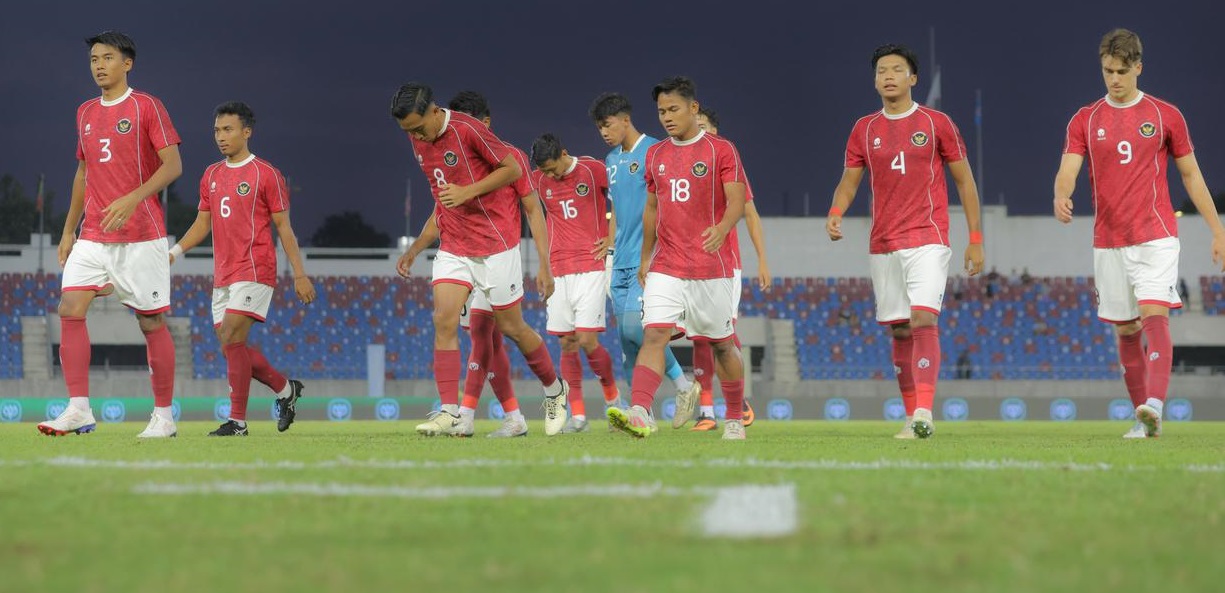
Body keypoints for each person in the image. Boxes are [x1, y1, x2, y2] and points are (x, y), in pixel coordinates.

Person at [1053, 28, 1225, 438]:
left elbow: (1191, 175)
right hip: (1109, 240)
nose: (1114, 79)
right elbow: (1068, 168)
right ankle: (1143, 421)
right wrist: (1061, 194)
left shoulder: (1165, 115)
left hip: (1155, 234)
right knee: (1126, 330)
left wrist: (1217, 230)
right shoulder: (1085, 119)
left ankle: (1155, 405)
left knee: (1154, 315)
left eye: (1122, 71)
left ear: (1139, 68)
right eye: (1108, 71)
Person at [390, 82, 568, 437]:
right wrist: (414, 249)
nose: (416, 136)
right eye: (408, 131)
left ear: (434, 111)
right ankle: (450, 410)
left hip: (497, 247)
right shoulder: (418, 138)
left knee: (511, 328)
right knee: (444, 320)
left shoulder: (469, 131)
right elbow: (442, 203)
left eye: (418, 127)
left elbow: (514, 174)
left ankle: (554, 389)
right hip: (455, 245)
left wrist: (544, 264)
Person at [826, 44, 985, 440]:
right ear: (874, 80)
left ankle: (925, 413)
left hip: (928, 237)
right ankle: (912, 416)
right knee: (899, 330)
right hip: (883, 242)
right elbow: (849, 181)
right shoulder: (864, 129)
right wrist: (836, 210)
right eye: (882, 70)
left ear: (913, 78)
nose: (889, 76)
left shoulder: (936, 123)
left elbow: (965, 181)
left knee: (923, 319)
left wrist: (975, 238)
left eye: (897, 69)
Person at [39, 31, 182, 438]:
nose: (99, 65)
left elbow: (173, 165)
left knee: (150, 322)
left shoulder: (146, 106)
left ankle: (164, 417)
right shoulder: (84, 111)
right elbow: (82, 173)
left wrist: (133, 198)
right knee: (70, 308)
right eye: (94, 59)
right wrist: (69, 229)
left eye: (107, 58)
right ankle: (79, 409)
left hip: (141, 235)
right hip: (93, 235)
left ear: (127, 63)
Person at [606, 76, 747, 440]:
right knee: (654, 334)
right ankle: (640, 411)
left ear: (693, 108)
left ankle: (734, 417)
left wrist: (723, 228)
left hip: (711, 266)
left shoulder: (721, 150)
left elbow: (737, 201)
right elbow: (652, 209)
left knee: (722, 344)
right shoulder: (656, 155)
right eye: (661, 111)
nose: (667, 117)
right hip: (667, 264)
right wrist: (646, 257)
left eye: (673, 109)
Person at [170, 101, 315, 436]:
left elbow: (284, 228)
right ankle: (286, 390)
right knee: (231, 347)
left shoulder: (266, 174)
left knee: (233, 336)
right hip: (223, 274)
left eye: (228, 129)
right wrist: (174, 252)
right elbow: (202, 224)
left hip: (255, 268)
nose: (221, 136)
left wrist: (299, 274)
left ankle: (237, 422)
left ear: (246, 132)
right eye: (217, 130)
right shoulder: (211, 175)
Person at [589, 92, 698, 430]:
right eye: (599, 128)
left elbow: (665, 203)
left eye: (608, 125)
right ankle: (642, 413)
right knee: (626, 343)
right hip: (619, 261)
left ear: (625, 120)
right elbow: (616, 210)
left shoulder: (655, 151)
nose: (604, 133)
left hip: (649, 259)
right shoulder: (610, 160)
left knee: (638, 330)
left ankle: (684, 387)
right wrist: (610, 244)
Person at [672, 105, 770, 431]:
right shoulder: (679, 166)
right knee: (698, 337)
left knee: (718, 336)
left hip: (724, 265)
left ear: (715, 132)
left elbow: (750, 214)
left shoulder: (728, 165)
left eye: (704, 126)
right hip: (687, 265)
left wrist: (762, 259)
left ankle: (734, 403)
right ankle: (707, 411)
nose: (698, 131)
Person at [530, 133, 621, 433]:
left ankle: (614, 402)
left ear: (564, 153)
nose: (551, 176)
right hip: (558, 268)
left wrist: (611, 238)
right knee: (566, 342)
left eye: (553, 168)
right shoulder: (539, 179)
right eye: (545, 171)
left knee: (586, 339)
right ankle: (578, 416)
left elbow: (621, 198)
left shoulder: (593, 169)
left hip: (591, 265)